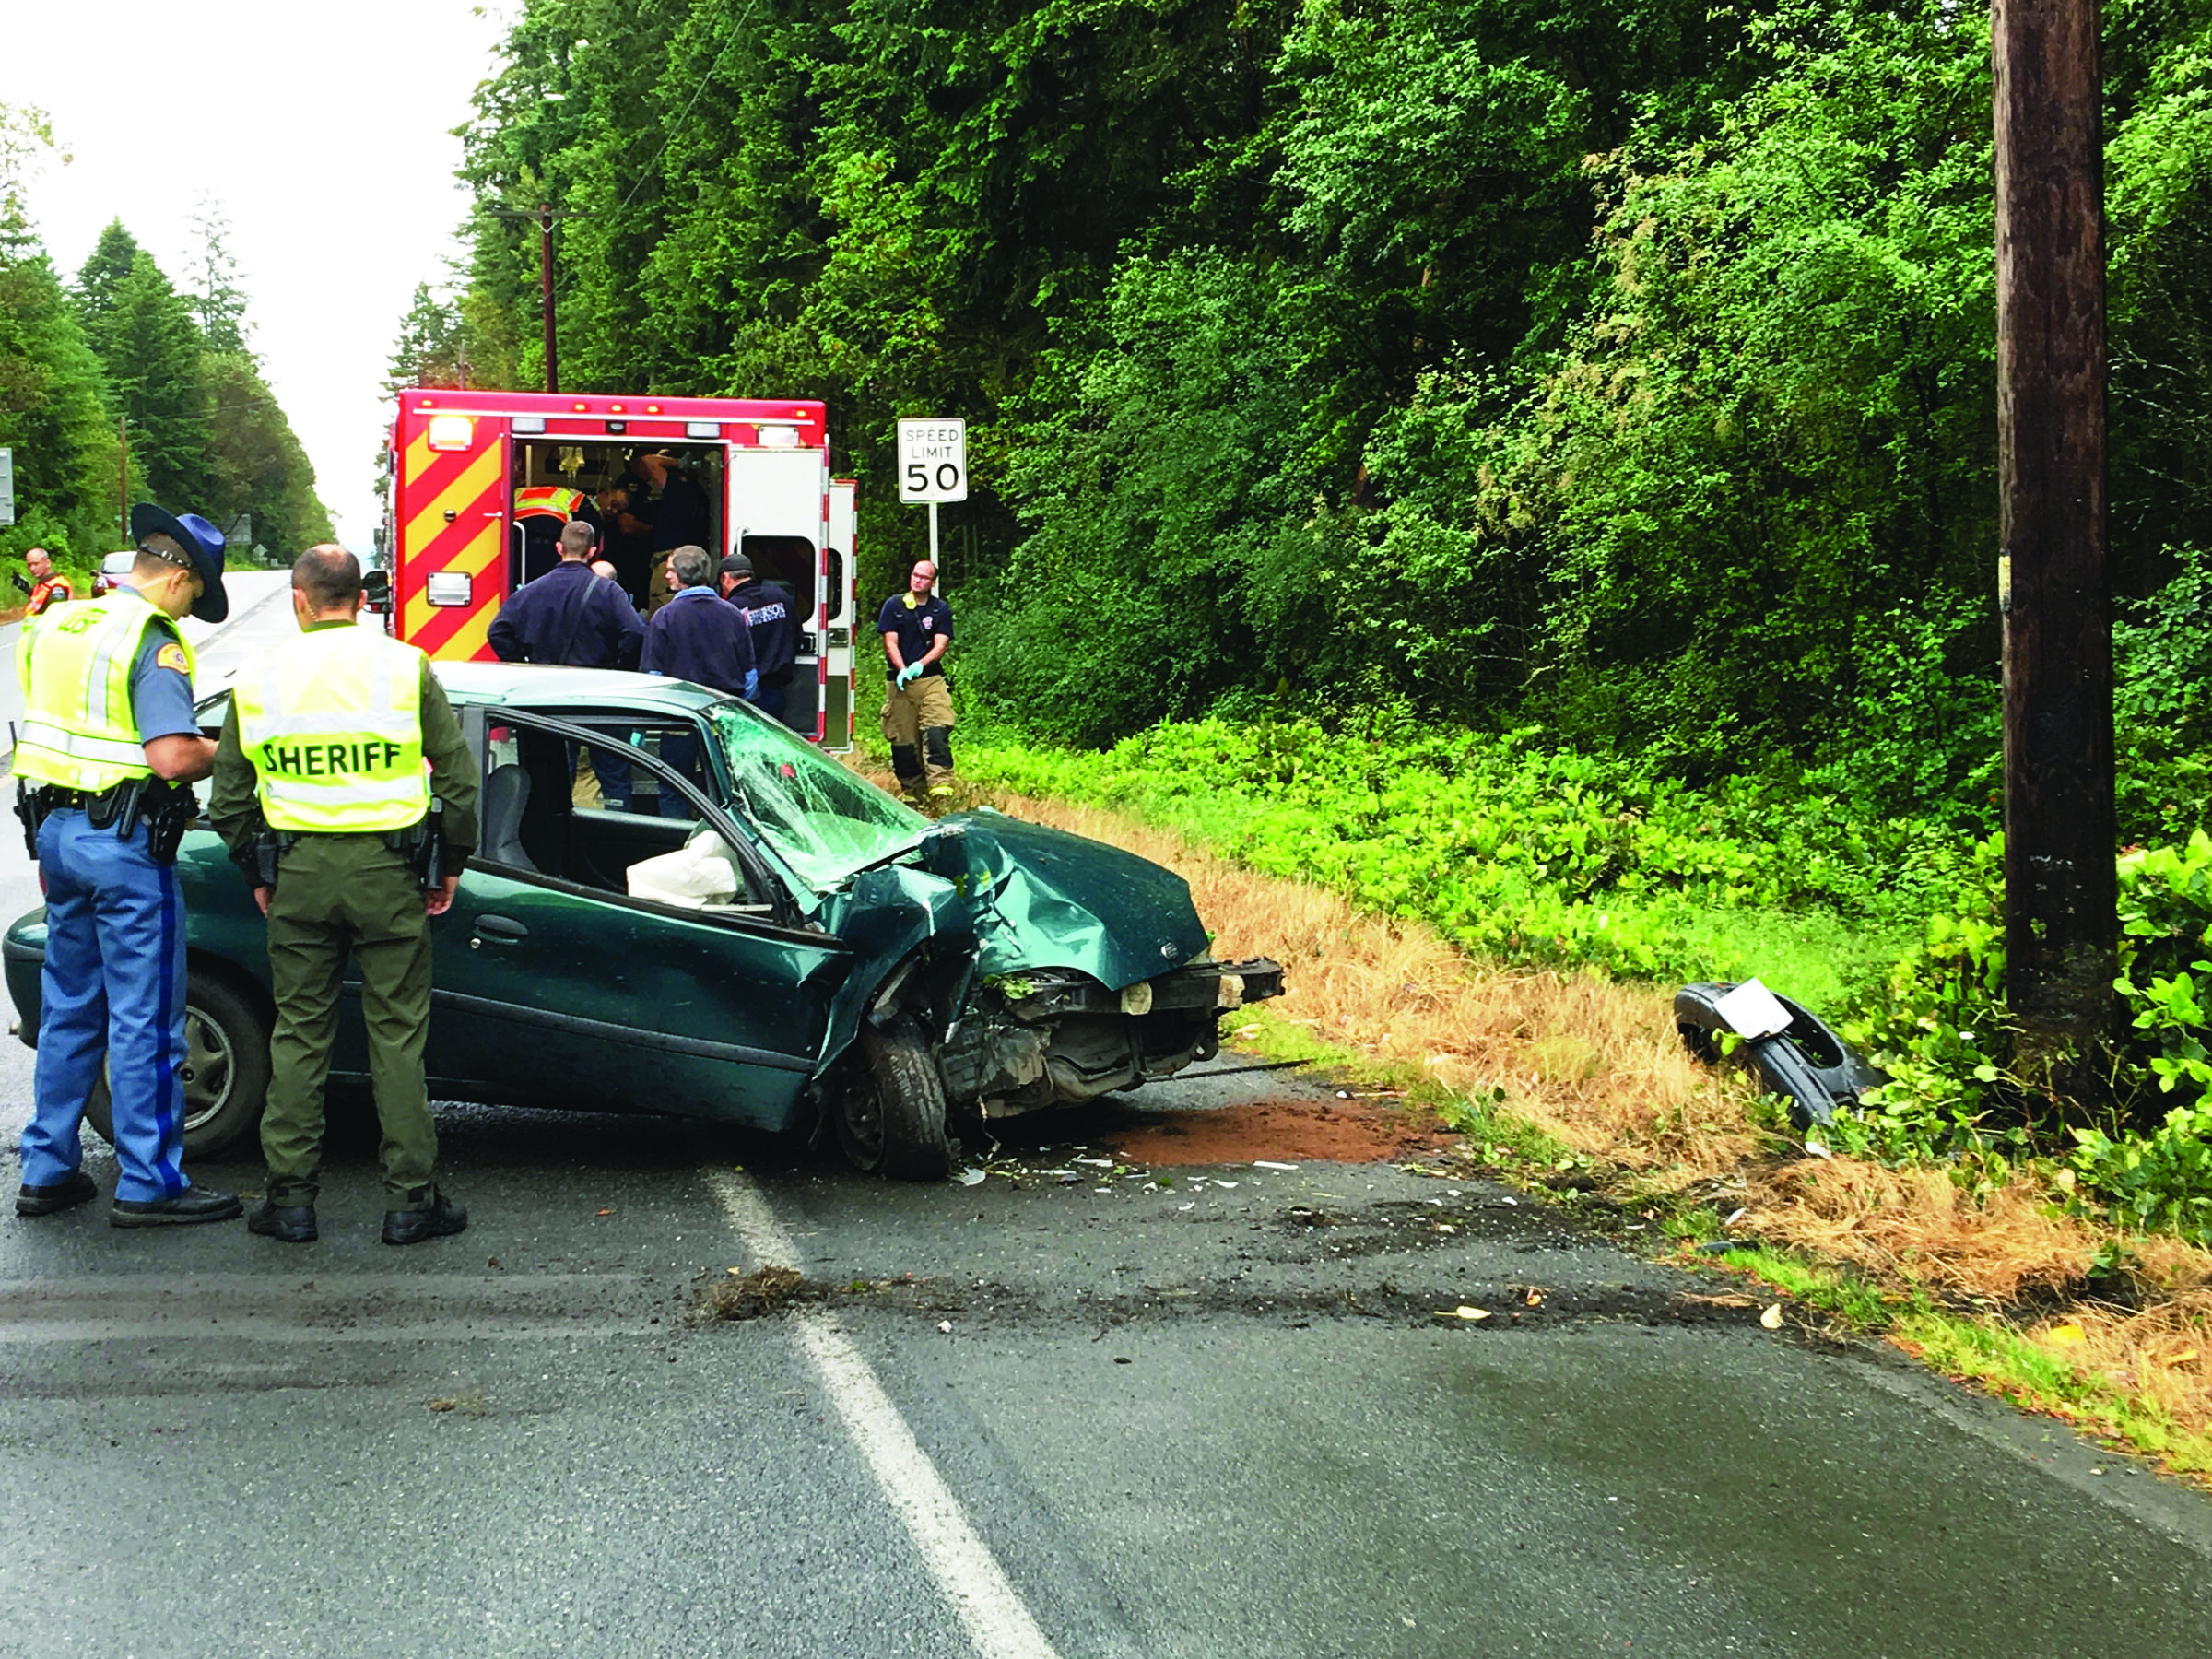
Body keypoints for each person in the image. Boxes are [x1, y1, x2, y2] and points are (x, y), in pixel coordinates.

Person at [209, 546, 482, 1246]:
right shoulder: (402, 666)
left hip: (299, 873)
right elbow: (457, 779)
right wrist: (449, 862)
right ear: (362, 598)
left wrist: (257, 872)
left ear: (299, 599)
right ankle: (410, 1202)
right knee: (397, 1036)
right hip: (388, 875)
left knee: (300, 1034)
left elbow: (231, 798)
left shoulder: (260, 675)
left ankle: (291, 1202)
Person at [11, 504, 241, 1226]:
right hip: (125, 847)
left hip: (57, 836)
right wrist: (230, 747)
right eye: (196, 596)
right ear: (177, 577)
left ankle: (47, 1170)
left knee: (70, 1008)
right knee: (145, 1018)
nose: (192, 610)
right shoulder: (152, 637)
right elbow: (170, 754)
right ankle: (150, 1183)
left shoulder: (57, 623)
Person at [488, 518, 644, 809]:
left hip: (546, 695)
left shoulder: (531, 591)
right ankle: (619, 834)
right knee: (613, 774)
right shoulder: (609, 592)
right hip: (600, 693)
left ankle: (551, 837)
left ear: (559, 548)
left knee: (551, 775)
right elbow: (635, 632)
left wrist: (523, 663)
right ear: (594, 550)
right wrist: (619, 667)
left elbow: (497, 632)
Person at [641, 545, 755, 817]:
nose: (667, 576)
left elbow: (653, 677)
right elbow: (750, 677)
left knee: (673, 788)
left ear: (680, 575)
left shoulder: (665, 617)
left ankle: (677, 843)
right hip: (721, 719)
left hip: (679, 720)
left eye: (670, 570)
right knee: (722, 791)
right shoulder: (733, 614)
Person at [877, 559, 955, 806]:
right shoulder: (894, 606)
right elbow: (890, 642)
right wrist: (902, 669)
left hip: (930, 679)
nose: (917, 579)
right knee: (903, 739)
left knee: (937, 730)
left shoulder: (940, 610)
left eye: (923, 577)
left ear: (933, 582)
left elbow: (941, 644)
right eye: (914, 575)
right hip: (900, 683)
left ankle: (941, 791)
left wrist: (920, 664)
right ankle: (913, 794)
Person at [720, 551, 801, 724]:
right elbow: (797, 635)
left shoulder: (732, 609)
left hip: (745, 694)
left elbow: (726, 652)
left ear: (726, 578)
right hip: (776, 692)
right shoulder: (782, 597)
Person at [633, 450, 709, 615]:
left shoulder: (677, 487)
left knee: (663, 614)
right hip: (688, 561)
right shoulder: (698, 491)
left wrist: (681, 462)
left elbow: (649, 460)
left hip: (669, 561)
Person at [512, 482, 591, 586]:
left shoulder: (516, 494)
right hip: (550, 547)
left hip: (520, 546)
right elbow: (589, 531)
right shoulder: (575, 497)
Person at [22, 547, 75, 616]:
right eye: (29, 565)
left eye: (36, 564)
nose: (32, 568)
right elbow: (41, 602)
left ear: (47, 563)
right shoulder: (44, 583)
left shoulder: (57, 586)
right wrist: (27, 590)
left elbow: (56, 615)